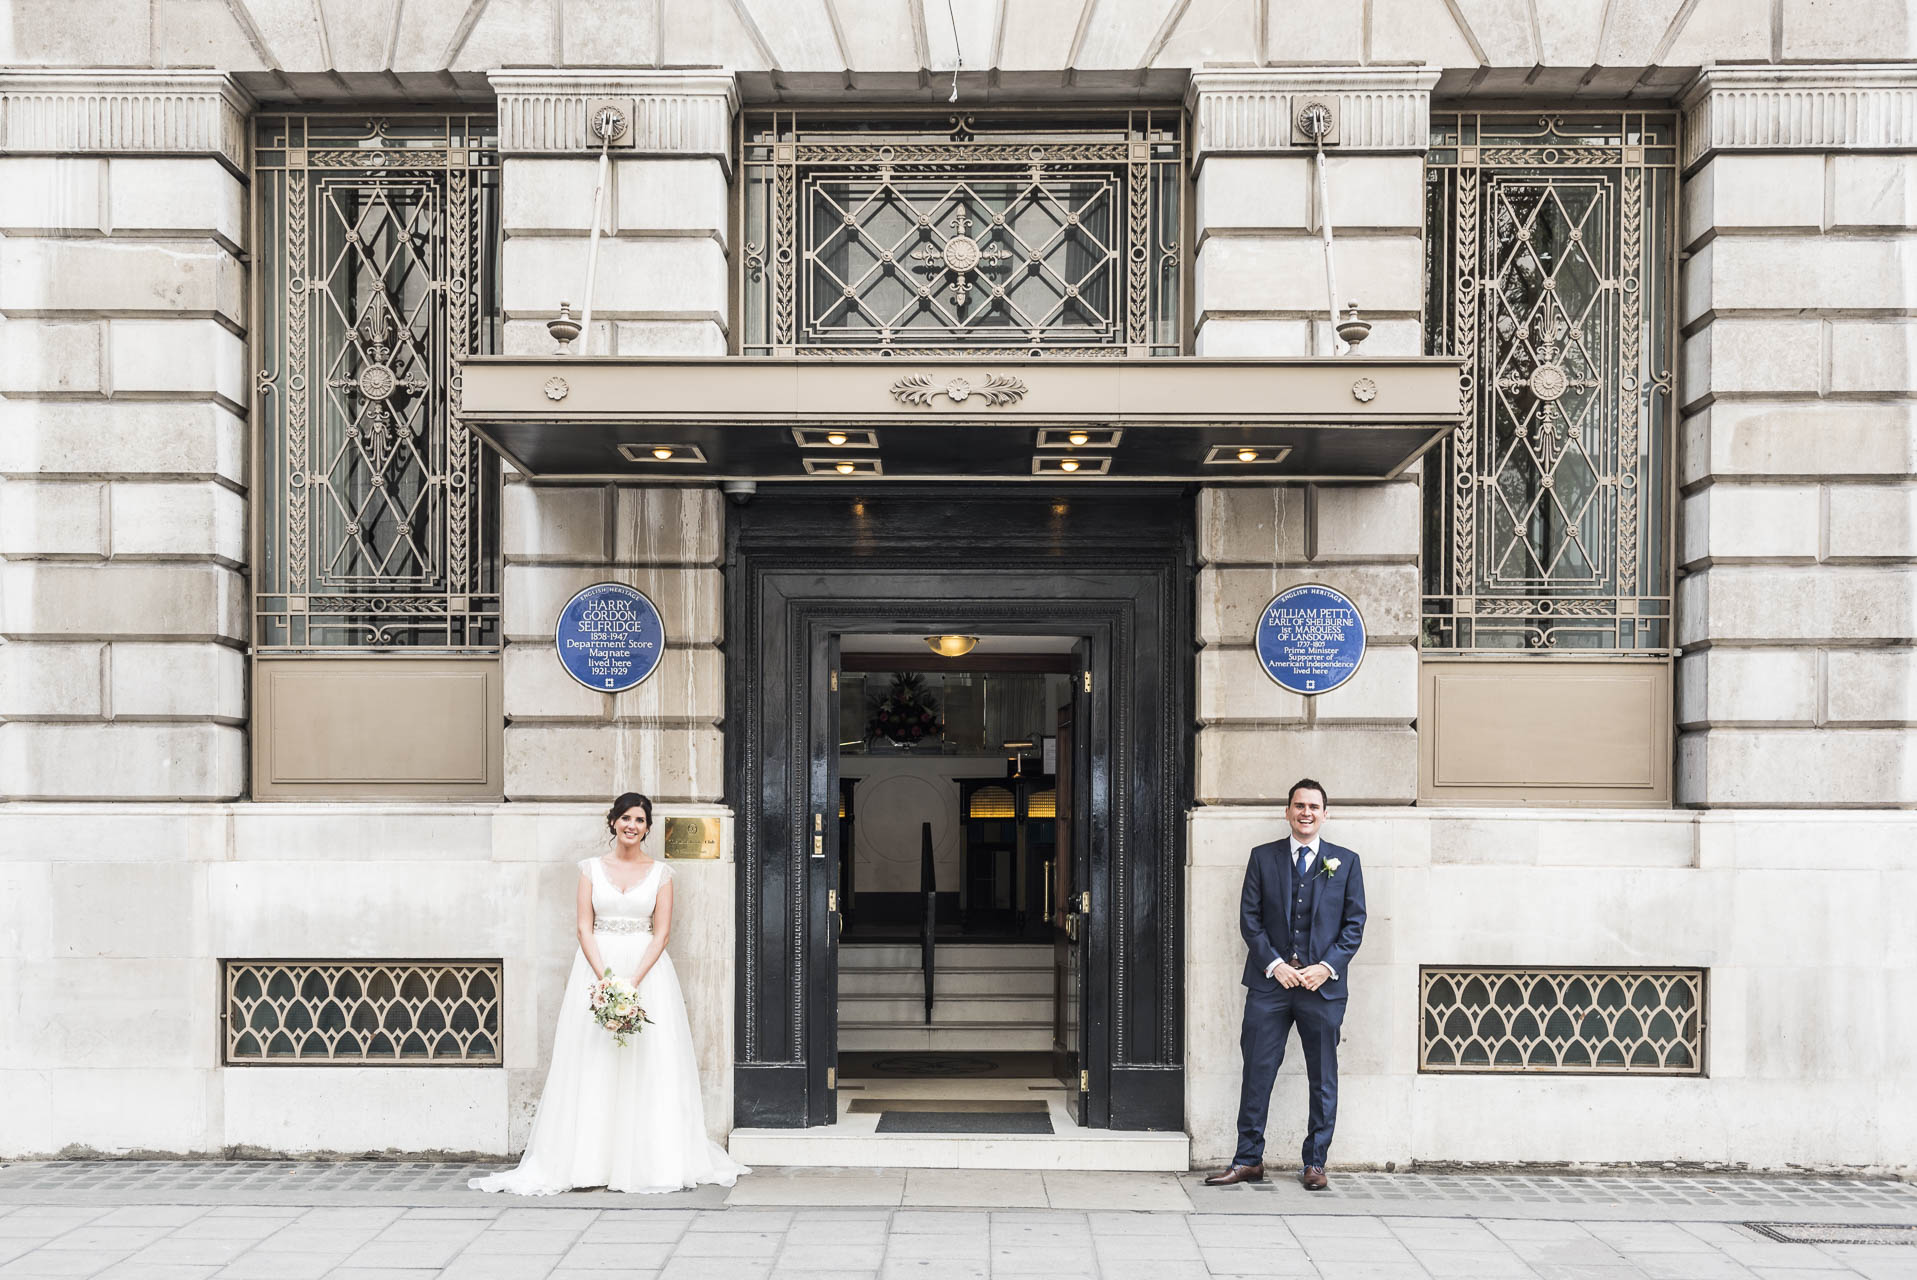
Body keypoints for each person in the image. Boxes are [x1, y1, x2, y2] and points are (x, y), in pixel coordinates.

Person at [471, 792, 747, 1195]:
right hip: (596, 968)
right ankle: (589, 1159)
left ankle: (645, 1159)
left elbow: (662, 932)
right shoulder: (590, 870)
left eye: (639, 819)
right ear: (613, 822)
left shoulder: (662, 875)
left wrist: (631, 982)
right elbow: (584, 927)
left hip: (647, 973)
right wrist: (606, 981)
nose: (632, 825)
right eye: (625, 818)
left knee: (646, 1062)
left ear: (648, 828)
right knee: (593, 1060)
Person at [1205, 778, 1366, 1191]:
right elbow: (1250, 919)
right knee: (1257, 1070)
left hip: (1322, 990)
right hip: (1270, 986)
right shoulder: (1263, 858)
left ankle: (1315, 1162)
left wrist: (1325, 968)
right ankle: (1247, 1160)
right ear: (1287, 811)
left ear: (1325, 814)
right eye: (1299, 805)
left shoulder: (1346, 862)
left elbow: (1354, 925)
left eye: (1314, 806)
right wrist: (1275, 965)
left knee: (1322, 1076)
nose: (1306, 812)